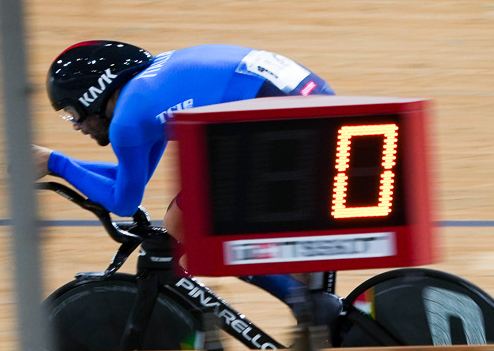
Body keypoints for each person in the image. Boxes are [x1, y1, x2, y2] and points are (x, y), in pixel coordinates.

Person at [34, 40, 339, 317]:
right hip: (309, 110)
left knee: (183, 224)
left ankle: (307, 306)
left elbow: (123, 201)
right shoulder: (146, 92)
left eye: (72, 112)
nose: (75, 125)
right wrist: (57, 163)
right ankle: (323, 315)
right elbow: (126, 179)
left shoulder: (127, 121)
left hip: (278, 122)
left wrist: (55, 162)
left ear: (94, 93)